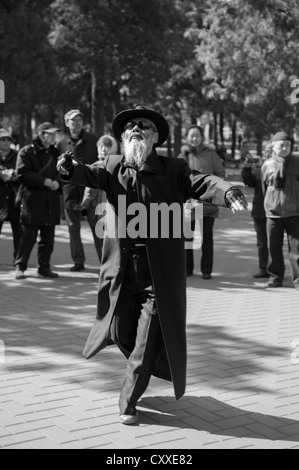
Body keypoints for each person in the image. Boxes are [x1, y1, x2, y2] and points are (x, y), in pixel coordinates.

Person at [57, 105, 247, 425]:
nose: (136, 129)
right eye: (130, 126)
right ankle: (153, 365)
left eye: (143, 126)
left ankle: (129, 400)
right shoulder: (113, 165)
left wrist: (228, 192)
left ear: (155, 136)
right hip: (122, 270)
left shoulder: (175, 169)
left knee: (146, 341)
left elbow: (204, 182)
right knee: (119, 332)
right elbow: (86, 172)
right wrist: (66, 167)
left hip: (157, 272)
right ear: (122, 136)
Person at [14, 123, 62, 280]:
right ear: (41, 135)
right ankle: (20, 266)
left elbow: (63, 172)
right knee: (28, 237)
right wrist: (45, 181)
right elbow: (21, 173)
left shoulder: (56, 153)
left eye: (55, 134)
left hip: (51, 201)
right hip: (32, 200)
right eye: (50, 133)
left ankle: (44, 267)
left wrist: (57, 182)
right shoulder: (26, 151)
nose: (54, 137)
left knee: (48, 240)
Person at [178, 125, 226, 279]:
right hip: (188, 205)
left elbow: (220, 174)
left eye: (197, 135)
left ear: (202, 137)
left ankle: (206, 271)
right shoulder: (182, 156)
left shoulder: (212, 155)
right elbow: (175, 179)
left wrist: (213, 192)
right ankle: (186, 269)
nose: (194, 138)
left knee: (206, 239)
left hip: (207, 204)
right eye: (191, 135)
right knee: (187, 239)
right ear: (187, 137)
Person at [56, 109, 98, 272]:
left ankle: (105, 261)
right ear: (67, 123)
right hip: (70, 191)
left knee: (97, 227)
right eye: (73, 120)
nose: (77, 123)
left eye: (80, 120)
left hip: (91, 190)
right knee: (73, 228)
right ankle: (78, 261)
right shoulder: (60, 143)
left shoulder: (93, 140)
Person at [261, 131, 299, 289]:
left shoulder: (297, 162)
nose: (284, 147)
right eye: (281, 145)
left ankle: (298, 280)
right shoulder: (267, 165)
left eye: (287, 145)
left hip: (295, 212)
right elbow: (263, 188)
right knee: (273, 247)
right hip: (273, 213)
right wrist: (269, 205)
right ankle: (275, 277)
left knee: (296, 250)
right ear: (273, 147)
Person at [81, 135, 118, 263]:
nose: (103, 149)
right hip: (96, 212)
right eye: (101, 146)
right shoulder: (94, 166)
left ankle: (112, 269)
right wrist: (84, 206)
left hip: (113, 212)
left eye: (107, 146)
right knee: (99, 243)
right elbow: (89, 190)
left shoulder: (119, 165)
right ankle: (104, 268)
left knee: (113, 244)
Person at [241, 142, 272, 278]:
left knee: (275, 243)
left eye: (270, 150)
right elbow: (249, 183)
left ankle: (277, 270)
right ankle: (263, 269)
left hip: (276, 210)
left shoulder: (280, 166)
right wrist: (247, 168)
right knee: (262, 242)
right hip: (260, 209)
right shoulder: (260, 168)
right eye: (266, 151)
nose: (267, 153)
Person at [0, 128, 22, 263]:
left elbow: (24, 172)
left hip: (15, 199)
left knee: (18, 232)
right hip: (0, 200)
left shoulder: (18, 155)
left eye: (8, 139)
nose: (6, 142)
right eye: (3, 139)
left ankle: (19, 260)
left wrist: (15, 175)